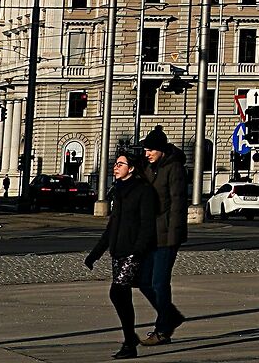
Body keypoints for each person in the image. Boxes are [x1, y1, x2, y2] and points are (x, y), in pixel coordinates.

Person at [86, 147, 160, 359]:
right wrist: (96, 253)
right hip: (118, 251)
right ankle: (130, 339)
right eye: (116, 164)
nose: (116, 168)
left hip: (132, 252)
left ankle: (130, 342)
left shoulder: (143, 191)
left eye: (120, 164)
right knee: (122, 295)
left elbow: (147, 225)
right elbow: (112, 226)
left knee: (117, 292)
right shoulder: (118, 190)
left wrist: (138, 251)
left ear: (132, 168)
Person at [139, 127, 190, 344]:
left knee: (159, 283)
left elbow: (178, 205)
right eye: (145, 150)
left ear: (161, 150)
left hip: (167, 236)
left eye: (150, 150)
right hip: (151, 235)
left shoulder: (174, 168)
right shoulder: (150, 168)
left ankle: (162, 330)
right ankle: (171, 316)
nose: (147, 153)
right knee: (143, 282)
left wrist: (173, 237)